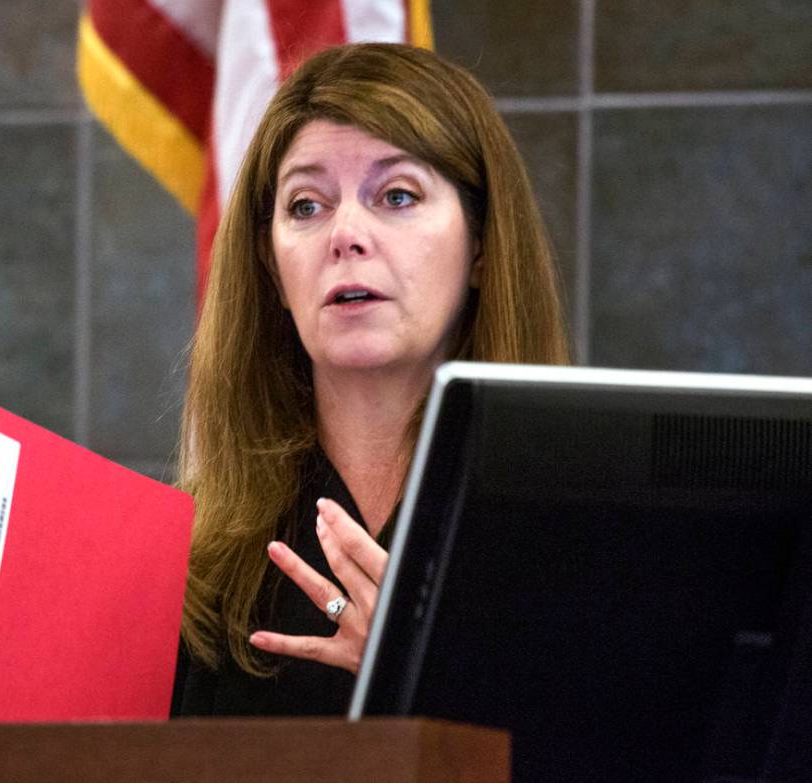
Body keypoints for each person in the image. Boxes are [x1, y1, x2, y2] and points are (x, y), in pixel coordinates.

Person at [171, 42, 569, 716]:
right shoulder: (185, 561)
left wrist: (426, 676)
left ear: (480, 245)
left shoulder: (578, 536)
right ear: (272, 269)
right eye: (306, 205)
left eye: (397, 195)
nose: (346, 234)